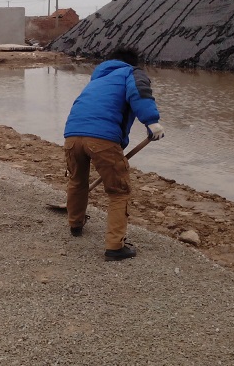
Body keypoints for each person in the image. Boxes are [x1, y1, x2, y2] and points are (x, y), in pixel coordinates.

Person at [63, 46, 164, 261]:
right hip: (102, 139)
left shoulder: (97, 79)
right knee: (119, 191)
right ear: (132, 62)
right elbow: (140, 93)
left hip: (72, 136)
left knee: (77, 182)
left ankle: (75, 224)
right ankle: (115, 247)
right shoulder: (131, 72)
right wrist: (152, 122)